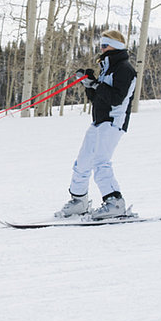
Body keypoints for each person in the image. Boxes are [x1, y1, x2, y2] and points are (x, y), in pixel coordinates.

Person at [57, 29, 137, 220]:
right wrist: (88, 84)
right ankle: (79, 201)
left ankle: (115, 203)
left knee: (101, 162)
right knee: (82, 162)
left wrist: (96, 85)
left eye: (104, 45)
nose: (101, 48)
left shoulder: (125, 69)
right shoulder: (107, 68)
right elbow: (98, 97)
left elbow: (117, 98)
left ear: (116, 46)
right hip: (99, 121)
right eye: (100, 45)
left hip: (113, 121)